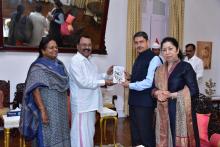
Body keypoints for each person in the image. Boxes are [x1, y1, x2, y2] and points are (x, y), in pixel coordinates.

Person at [19, 36, 70, 147]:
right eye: (51, 48)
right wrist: (42, 110)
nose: (55, 50)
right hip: (47, 108)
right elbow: (34, 90)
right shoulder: (38, 67)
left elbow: (67, 88)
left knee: (62, 133)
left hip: (61, 109)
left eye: (56, 47)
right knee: (47, 136)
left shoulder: (60, 65)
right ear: (43, 50)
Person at [153, 37, 200, 147]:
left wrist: (172, 95)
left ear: (177, 50)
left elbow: (194, 91)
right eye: (164, 50)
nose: (167, 52)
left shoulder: (185, 67)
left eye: (170, 49)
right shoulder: (159, 69)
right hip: (163, 111)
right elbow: (153, 88)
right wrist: (157, 93)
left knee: (176, 140)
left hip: (180, 111)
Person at [69, 35, 113, 147]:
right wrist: (104, 83)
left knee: (89, 134)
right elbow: (83, 82)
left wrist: (107, 75)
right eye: (84, 45)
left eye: (89, 45)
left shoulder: (90, 61)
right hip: (82, 106)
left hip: (91, 104)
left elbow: (95, 77)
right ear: (78, 46)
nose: (87, 47)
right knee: (80, 137)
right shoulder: (76, 61)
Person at [121, 31, 161, 147]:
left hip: (145, 103)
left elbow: (149, 82)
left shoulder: (154, 59)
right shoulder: (139, 57)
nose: (139, 45)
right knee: (136, 136)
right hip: (134, 101)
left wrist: (129, 84)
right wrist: (130, 76)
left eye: (141, 42)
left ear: (147, 42)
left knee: (146, 136)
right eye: (136, 42)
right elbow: (141, 77)